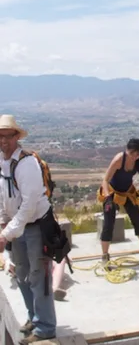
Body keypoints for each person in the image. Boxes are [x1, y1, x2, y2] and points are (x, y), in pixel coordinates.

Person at [0, 115, 56, 344]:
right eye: (0, 136)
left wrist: (6, 233)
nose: (3, 141)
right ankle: (34, 317)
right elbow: (4, 197)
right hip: (18, 227)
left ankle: (45, 327)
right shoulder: (2, 162)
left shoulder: (27, 163)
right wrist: (4, 222)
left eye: (7, 136)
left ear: (16, 137)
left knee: (38, 276)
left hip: (35, 227)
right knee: (21, 274)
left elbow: (29, 204)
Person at [99, 138, 139, 264]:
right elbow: (105, 180)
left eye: (138, 154)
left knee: (137, 220)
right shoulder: (119, 159)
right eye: (132, 153)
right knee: (108, 224)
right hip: (112, 192)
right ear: (127, 150)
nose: (134, 157)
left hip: (127, 192)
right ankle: (105, 256)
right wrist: (108, 199)